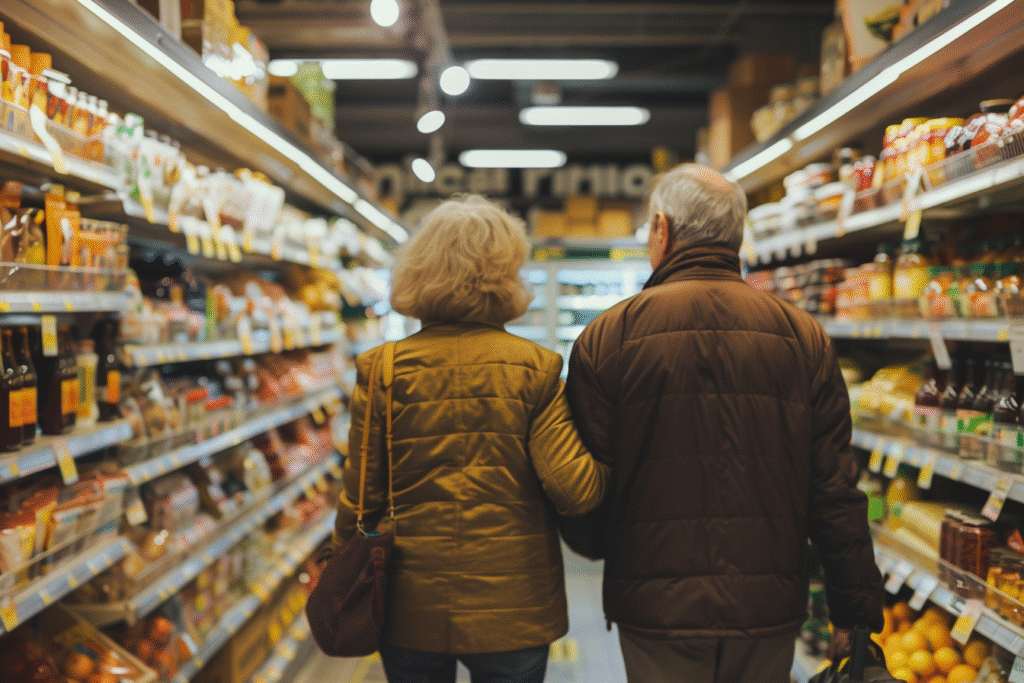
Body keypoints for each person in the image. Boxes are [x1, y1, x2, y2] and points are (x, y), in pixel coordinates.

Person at [562, 164, 884, 683]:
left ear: (661, 229)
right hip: (766, 608)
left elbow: (585, 486)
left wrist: (604, 546)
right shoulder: (803, 337)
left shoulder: (607, 338)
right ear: (738, 237)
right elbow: (834, 492)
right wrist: (856, 611)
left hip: (654, 608)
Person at [334, 195, 610, 683]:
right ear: (507, 275)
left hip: (407, 607)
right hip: (514, 609)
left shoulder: (381, 370)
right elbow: (575, 489)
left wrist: (341, 575)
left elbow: (359, 503)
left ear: (416, 270)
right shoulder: (535, 369)